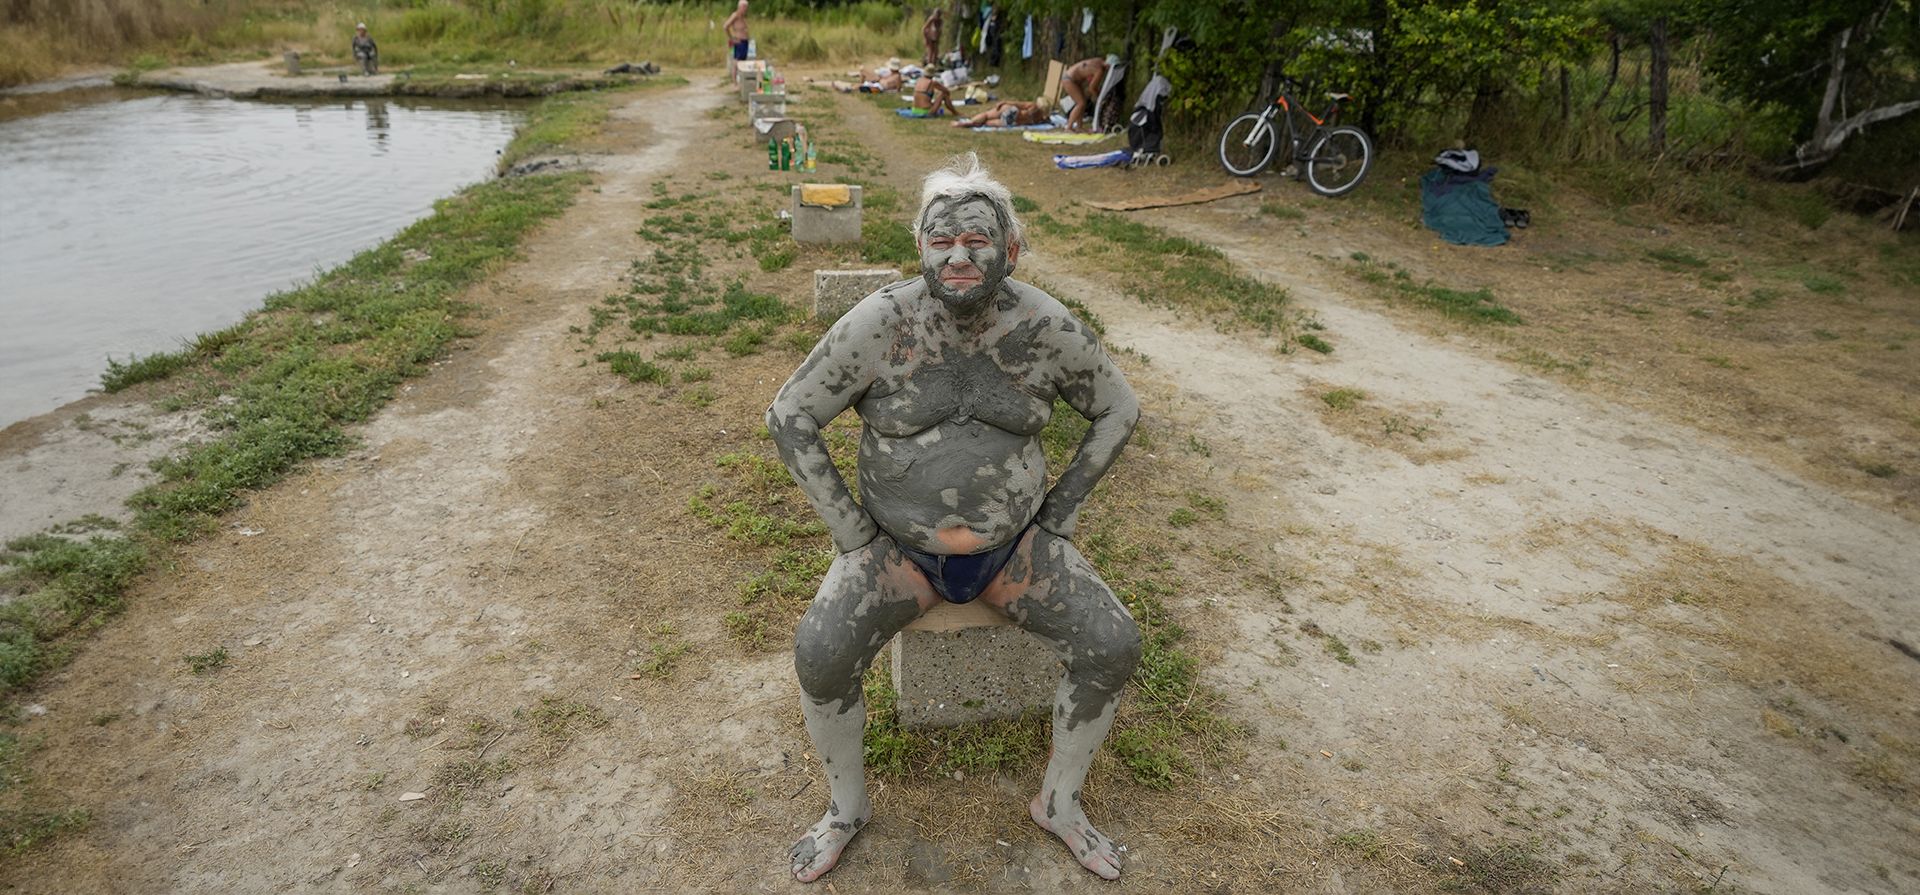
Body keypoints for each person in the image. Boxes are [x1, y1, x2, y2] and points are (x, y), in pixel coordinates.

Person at [768, 152, 1142, 884]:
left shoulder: (1045, 326)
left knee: (1112, 644)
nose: (960, 255)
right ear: (921, 247)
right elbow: (790, 415)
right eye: (942, 242)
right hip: (899, 554)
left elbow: (1117, 409)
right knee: (820, 653)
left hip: (1017, 551)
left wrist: (1059, 517)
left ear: (1012, 248)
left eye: (978, 240)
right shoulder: (882, 324)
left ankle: (1059, 803)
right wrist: (852, 534)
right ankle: (846, 808)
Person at [1059, 55, 1109, 131]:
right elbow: (1092, 88)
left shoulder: (1099, 60)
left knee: (1083, 103)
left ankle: (1079, 126)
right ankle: (1069, 127)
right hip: (1069, 80)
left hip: (1072, 78)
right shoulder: (1099, 70)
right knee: (1080, 103)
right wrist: (1099, 98)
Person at [951, 97, 1051, 128]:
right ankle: (970, 124)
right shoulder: (1039, 119)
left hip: (1013, 111)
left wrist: (1004, 102)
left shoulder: (1032, 105)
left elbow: (1018, 104)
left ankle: (967, 122)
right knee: (985, 124)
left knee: (986, 115)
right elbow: (1046, 120)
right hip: (1012, 122)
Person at [724, 1, 751, 65]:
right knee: (738, 60)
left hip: (744, 41)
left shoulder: (743, 16)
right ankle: (734, 75)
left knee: (743, 60)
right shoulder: (735, 15)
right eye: (744, 7)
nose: (746, 9)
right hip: (739, 40)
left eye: (746, 7)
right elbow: (725, 26)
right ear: (740, 7)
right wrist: (731, 38)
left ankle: (740, 74)